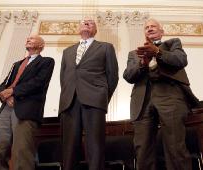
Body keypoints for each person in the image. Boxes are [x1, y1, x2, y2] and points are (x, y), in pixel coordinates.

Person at [123, 18, 199, 170]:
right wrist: (142, 64)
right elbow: (128, 76)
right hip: (142, 101)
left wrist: (158, 52)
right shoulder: (134, 53)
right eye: (147, 27)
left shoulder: (172, 44)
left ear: (162, 31)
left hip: (170, 97)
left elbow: (180, 60)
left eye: (153, 26)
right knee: (142, 150)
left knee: (175, 147)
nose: (150, 28)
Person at [0, 34, 54, 170]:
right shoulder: (16, 64)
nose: (28, 39)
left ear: (41, 46)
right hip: (7, 108)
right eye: (27, 38)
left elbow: (38, 82)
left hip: (26, 110)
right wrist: (6, 96)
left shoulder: (47, 62)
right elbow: (4, 84)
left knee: (21, 151)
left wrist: (13, 92)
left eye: (33, 39)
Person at [59, 18, 119, 170]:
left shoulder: (106, 47)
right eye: (83, 22)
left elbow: (113, 76)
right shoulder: (67, 51)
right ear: (78, 28)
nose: (86, 23)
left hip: (94, 100)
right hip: (69, 101)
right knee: (69, 147)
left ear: (95, 29)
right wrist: (68, 94)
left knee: (95, 145)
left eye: (90, 22)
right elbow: (63, 77)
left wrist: (102, 96)